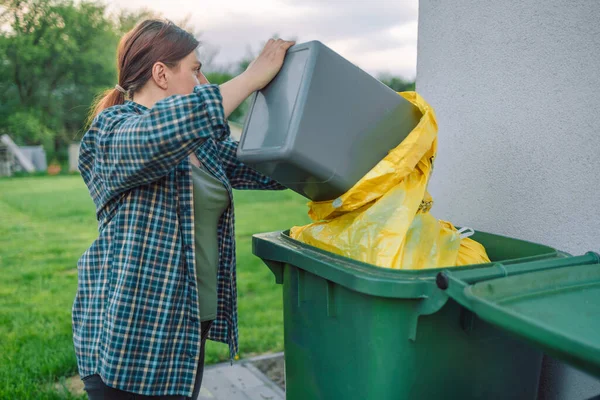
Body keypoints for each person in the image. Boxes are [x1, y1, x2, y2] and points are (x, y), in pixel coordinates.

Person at [72, 18, 294, 399]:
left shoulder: (201, 146)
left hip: (190, 324)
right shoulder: (112, 132)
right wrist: (250, 77)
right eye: (195, 69)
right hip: (133, 335)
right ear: (161, 73)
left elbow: (272, 167)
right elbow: (159, 134)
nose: (203, 81)